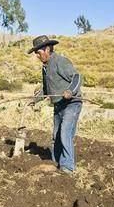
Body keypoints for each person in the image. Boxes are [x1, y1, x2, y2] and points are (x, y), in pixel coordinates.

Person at [29, 35, 82, 174]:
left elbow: (77, 77)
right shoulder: (45, 68)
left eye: (39, 53)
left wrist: (70, 91)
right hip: (58, 105)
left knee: (65, 132)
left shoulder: (60, 61)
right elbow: (47, 90)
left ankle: (68, 167)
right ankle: (56, 163)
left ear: (47, 49)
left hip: (71, 103)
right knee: (56, 136)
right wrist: (34, 100)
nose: (38, 56)